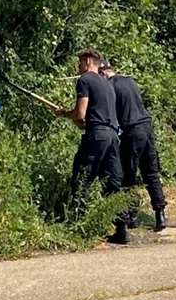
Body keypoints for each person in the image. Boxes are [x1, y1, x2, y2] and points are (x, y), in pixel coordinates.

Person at [58, 50, 130, 244]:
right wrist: (79, 120)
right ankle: (121, 228)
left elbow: (80, 114)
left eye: (80, 62)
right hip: (113, 136)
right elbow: (91, 116)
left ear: (88, 62)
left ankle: (78, 227)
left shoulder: (85, 80)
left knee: (81, 178)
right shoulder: (107, 84)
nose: (78, 67)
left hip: (97, 136)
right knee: (112, 183)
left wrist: (65, 114)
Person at [101, 61, 166, 231]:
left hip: (131, 132)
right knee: (151, 172)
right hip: (147, 128)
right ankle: (160, 214)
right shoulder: (130, 81)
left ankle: (130, 215)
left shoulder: (109, 87)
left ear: (103, 73)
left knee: (127, 175)